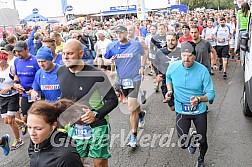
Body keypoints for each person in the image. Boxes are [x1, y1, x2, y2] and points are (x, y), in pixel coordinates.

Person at [57, 39, 118, 167]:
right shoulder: (61, 72)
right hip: (74, 127)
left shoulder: (96, 74)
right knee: (74, 162)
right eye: (63, 54)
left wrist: (95, 114)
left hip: (97, 125)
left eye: (70, 54)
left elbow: (113, 100)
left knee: (100, 163)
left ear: (81, 53)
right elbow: (64, 97)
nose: (65, 57)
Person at [165, 41, 215, 167]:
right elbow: (168, 77)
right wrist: (170, 90)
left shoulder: (202, 70)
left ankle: (201, 157)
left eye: (190, 56)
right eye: (184, 55)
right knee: (183, 144)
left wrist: (199, 99)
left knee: (202, 139)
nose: (186, 59)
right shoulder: (173, 67)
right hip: (182, 110)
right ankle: (192, 141)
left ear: (195, 55)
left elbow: (211, 93)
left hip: (199, 110)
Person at [104, 25, 148, 147]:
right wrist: (110, 61)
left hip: (135, 78)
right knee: (133, 104)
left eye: (120, 32)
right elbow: (105, 59)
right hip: (122, 80)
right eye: (116, 33)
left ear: (126, 33)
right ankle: (141, 114)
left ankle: (133, 137)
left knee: (130, 107)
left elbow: (144, 53)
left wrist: (142, 67)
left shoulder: (135, 44)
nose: (118, 35)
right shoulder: (112, 46)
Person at [27, 99, 83, 167]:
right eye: (29, 127)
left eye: (38, 129)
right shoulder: (36, 140)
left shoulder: (66, 155)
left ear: (54, 125)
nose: (32, 133)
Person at [13, 41, 40, 135]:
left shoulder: (35, 60)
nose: (18, 53)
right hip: (24, 93)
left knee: (37, 115)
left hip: (36, 93)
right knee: (24, 114)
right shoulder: (16, 61)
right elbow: (16, 75)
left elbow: (40, 76)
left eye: (20, 51)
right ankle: (26, 125)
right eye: (16, 51)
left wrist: (34, 89)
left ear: (26, 49)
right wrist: (16, 83)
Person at [0, 52, 24, 150]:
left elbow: (17, 82)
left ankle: (18, 140)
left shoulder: (11, 68)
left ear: (5, 59)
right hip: (2, 97)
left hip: (12, 96)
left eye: (1, 60)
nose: (0, 62)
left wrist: (10, 87)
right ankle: (24, 124)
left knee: (11, 120)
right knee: (6, 121)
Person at [155, 32, 181, 110]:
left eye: (173, 40)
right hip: (165, 81)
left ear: (177, 40)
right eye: (168, 40)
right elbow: (156, 64)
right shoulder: (160, 52)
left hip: (180, 81)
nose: (170, 42)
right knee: (172, 107)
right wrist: (157, 74)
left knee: (181, 104)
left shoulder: (181, 51)